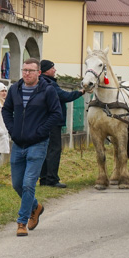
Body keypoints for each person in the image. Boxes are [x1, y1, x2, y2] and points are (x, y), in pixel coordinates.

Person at [2, 58, 63, 237]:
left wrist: (40, 131)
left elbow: (56, 114)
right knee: (17, 184)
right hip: (18, 144)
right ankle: (36, 207)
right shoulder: (15, 89)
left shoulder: (48, 91)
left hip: (38, 143)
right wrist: (12, 130)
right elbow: (6, 111)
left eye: (30, 70)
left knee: (28, 184)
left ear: (38, 73)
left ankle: (22, 222)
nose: (26, 73)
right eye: (24, 70)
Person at [38, 59, 84, 189]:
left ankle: (44, 179)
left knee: (46, 150)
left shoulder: (42, 82)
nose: (55, 70)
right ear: (46, 70)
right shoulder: (49, 83)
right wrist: (80, 92)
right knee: (54, 149)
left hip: (43, 121)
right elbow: (64, 96)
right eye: (53, 68)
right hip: (52, 122)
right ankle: (52, 179)